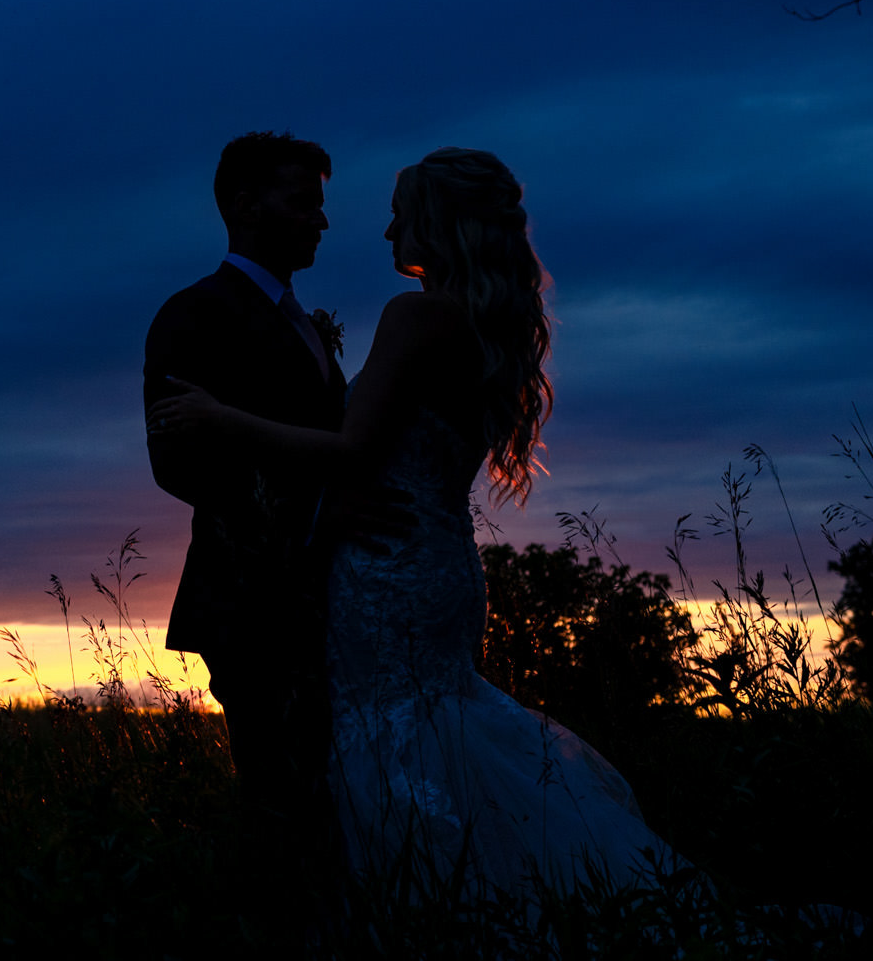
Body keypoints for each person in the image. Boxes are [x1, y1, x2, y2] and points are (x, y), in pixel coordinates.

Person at [148, 146, 680, 901]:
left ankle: (420, 907)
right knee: (424, 741)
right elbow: (180, 465)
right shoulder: (479, 326)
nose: (370, 225)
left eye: (401, 211)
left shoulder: (417, 316)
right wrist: (319, 510)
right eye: (304, 203)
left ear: (439, 221)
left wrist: (220, 418)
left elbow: (351, 446)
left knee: (392, 748)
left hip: (389, 573)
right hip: (421, 566)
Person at [142, 131, 360, 912]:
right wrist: (293, 515)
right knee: (277, 802)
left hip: (324, 596)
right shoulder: (193, 315)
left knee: (328, 802)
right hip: (249, 598)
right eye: (303, 202)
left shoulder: (304, 320)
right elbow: (177, 463)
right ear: (243, 204)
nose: (320, 221)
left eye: (320, 204)